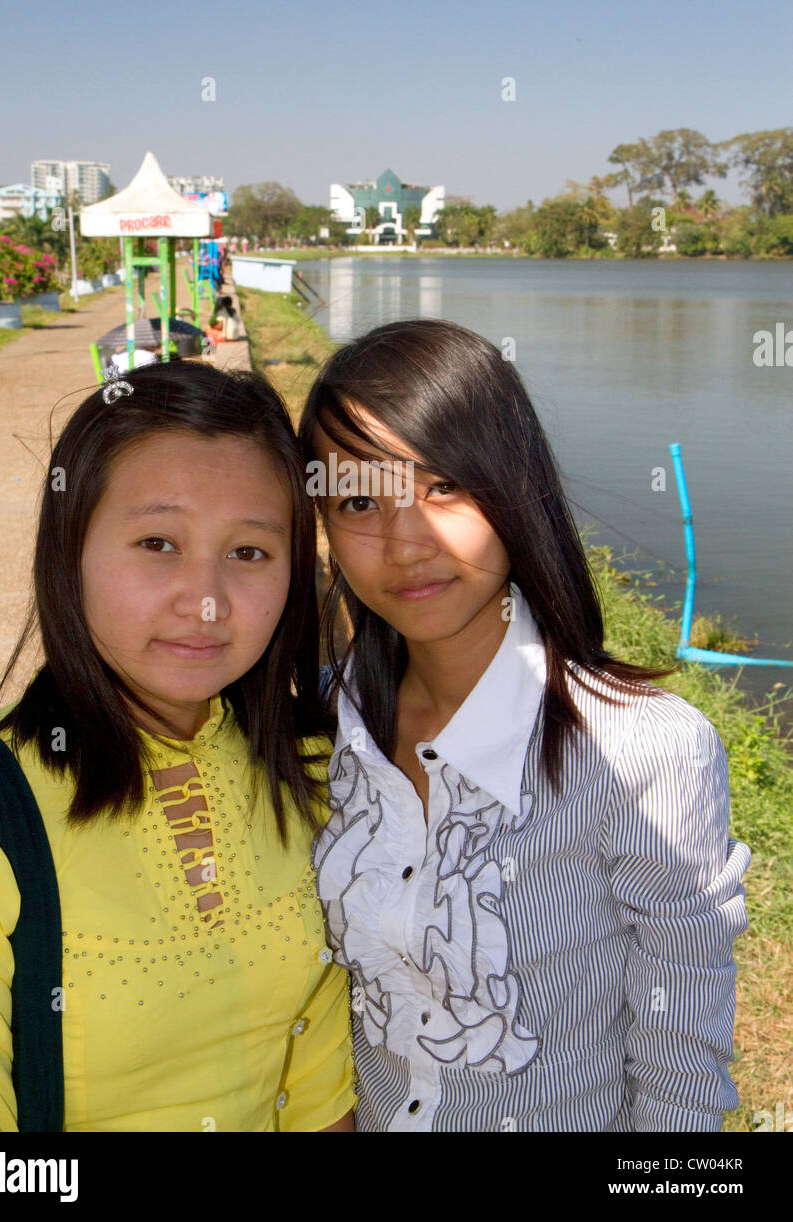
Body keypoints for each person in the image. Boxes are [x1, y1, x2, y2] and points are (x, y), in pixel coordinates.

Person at [298, 317, 750, 1133]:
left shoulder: (643, 752)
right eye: (359, 498)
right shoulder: (321, 727)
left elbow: (683, 1064)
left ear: (515, 485)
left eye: (443, 487)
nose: (406, 544)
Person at [0, 361, 354, 1132]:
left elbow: (322, 1083)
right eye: (158, 542)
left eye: (249, 552)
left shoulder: (314, 771)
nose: (207, 601)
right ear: (71, 551)